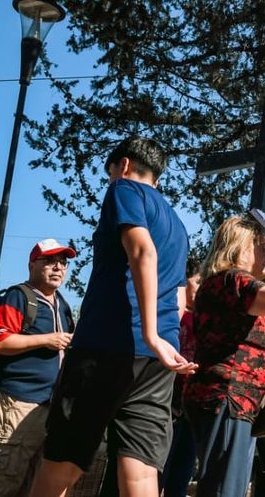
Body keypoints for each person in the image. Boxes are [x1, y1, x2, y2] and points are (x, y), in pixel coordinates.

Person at [31, 136, 194, 497]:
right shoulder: (178, 226)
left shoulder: (124, 189)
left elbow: (142, 252)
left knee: (62, 463)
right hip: (157, 362)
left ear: (121, 165)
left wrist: (148, 333)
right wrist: (161, 342)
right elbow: (180, 298)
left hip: (106, 348)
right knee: (141, 474)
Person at [183, 216, 265, 497]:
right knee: (225, 489)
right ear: (240, 248)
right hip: (228, 397)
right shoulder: (231, 279)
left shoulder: (227, 286)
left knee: (228, 487)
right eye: (261, 246)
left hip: (235, 402)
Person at [0, 238, 75, 497]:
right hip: (15, 403)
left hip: (50, 406)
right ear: (32, 264)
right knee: (3, 484)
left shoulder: (62, 306)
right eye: (50, 261)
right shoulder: (18, 296)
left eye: (63, 263)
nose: (58, 267)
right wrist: (46, 339)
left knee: (38, 485)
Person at [160, 264, 202, 497]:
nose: (202, 288)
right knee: (160, 468)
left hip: (193, 407)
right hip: (168, 401)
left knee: (182, 473)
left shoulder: (208, 320)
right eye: (198, 281)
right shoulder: (172, 315)